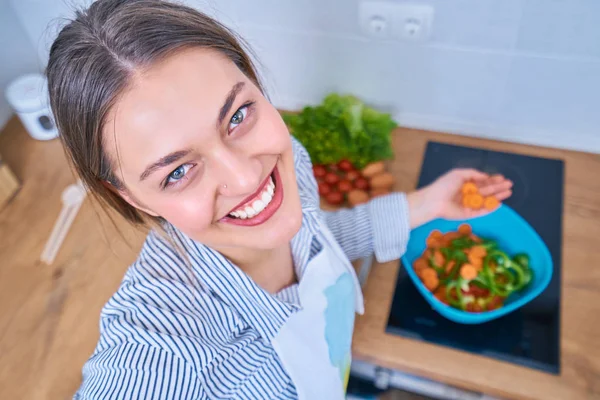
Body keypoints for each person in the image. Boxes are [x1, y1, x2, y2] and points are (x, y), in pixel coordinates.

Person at [47, 1, 513, 399]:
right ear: (129, 196)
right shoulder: (164, 340)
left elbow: (319, 236)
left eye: (238, 115)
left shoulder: (291, 167)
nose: (247, 175)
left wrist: (428, 204)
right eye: (178, 172)